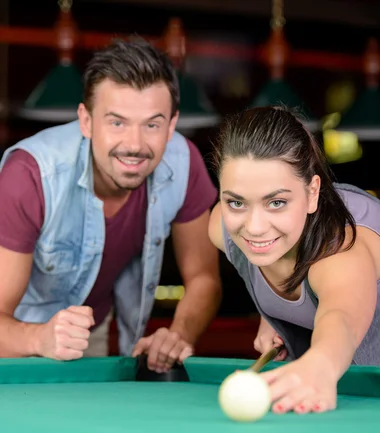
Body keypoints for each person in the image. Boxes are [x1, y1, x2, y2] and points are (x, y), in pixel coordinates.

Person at [0, 38, 222, 372]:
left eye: (152, 124)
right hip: (14, 341)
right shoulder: (30, 175)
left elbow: (204, 278)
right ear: (86, 121)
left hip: (90, 332)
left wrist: (178, 334)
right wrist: (39, 339)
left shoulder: (184, 163)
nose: (134, 145)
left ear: (172, 125)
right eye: (117, 122)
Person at [209, 105, 380, 414]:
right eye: (236, 202)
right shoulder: (222, 228)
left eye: (276, 202)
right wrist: (272, 312)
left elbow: (341, 316)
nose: (254, 227)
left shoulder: (340, 249)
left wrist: (322, 363)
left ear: (312, 193)